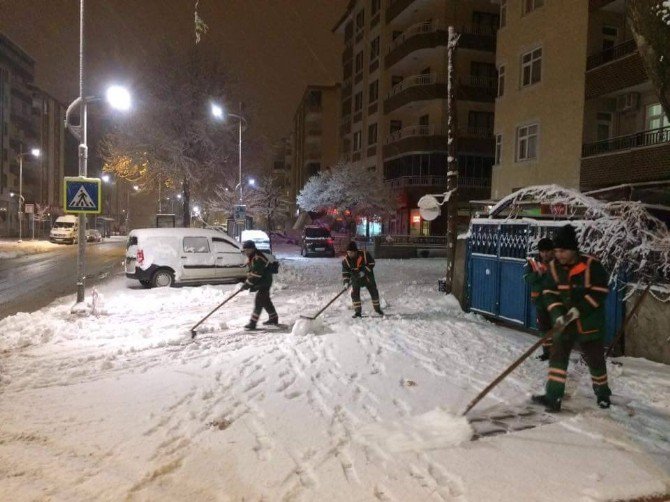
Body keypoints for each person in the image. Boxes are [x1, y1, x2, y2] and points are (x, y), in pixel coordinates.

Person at [532, 225, 612, 412]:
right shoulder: (553, 268)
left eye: (563, 251)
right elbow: (549, 293)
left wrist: (578, 310)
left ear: (573, 250)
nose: (558, 255)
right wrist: (558, 314)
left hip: (588, 323)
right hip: (565, 323)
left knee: (595, 361)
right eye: (557, 251)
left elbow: (600, 291)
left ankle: (603, 395)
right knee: (557, 358)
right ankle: (553, 397)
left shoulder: (592, 265)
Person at [524, 237, 555, 361]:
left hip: (555, 301)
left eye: (548, 251)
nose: (545, 254)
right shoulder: (533, 262)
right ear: (539, 252)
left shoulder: (558, 262)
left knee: (556, 328)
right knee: (543, 329)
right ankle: (547, 353)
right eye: (543, 251)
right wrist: (538, 274)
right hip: (540, 301)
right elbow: (526, 278)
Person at [240, 240, 278, 330]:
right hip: (263, 281)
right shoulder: (253, 256)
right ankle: (273, 318)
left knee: (259, 301)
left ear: (251, 249)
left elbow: (256, 275)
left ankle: (253, 323)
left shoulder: (257, 258)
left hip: (264, 282)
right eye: (244, 250)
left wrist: (246, 285)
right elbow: (253, 272)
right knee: (265, 301)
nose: (245, 252)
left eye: (246, 250)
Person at [342, 241, 383, 318]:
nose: (349, 254)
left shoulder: (364, 254)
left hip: (368, 277)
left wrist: (364, 271)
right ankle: (358, 312)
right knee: (354, 294)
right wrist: (346, 282)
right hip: (355, 279)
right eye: (348, 252)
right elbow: (345, 273)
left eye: (351, 252)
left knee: (374, 292)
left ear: (355, 251)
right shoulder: (346, 261)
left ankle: (377, 309)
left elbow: (372, 263)